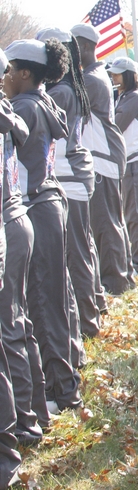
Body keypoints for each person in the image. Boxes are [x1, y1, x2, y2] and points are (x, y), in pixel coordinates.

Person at [4, 39, 83, 415]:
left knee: (41, 302)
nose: (5, 77)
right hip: (49, 202)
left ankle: (60, 391)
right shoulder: (43, 100)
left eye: (9, 69)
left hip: (35, 204)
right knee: (55, 298)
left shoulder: (22, 105)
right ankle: (65, 382)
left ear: (24, 73)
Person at [36, 28, 100, 343]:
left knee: (76, 255)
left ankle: (87, 322)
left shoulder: (59, 92)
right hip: (74, 174)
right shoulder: (66, 87)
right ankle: (92, 311)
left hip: (69, 177)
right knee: (82, 249)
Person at [0, 45, 45, 448]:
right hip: (17, 221)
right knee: (18, 326)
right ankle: (32, 416)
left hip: (8, 225)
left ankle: (24, 426)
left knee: (9, 332)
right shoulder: (10, 111)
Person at [71, 23, 132, 296]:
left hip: (102, 156)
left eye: (71, 48)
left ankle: (114, 282)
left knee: (105, 224)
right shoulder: (93, 74)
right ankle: (123, 276)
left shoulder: (91, 79)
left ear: (85, 47)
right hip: (103, 155)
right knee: (112, 221)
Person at [110, 57, 138, 276]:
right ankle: (137, 258)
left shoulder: (135, 96)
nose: (113, 77)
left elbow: (116, 124)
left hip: (134, 160)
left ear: (128, 75)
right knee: (130, 211)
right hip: (127, 159)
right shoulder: (125, 95)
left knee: (136, 212)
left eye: (117, 74)